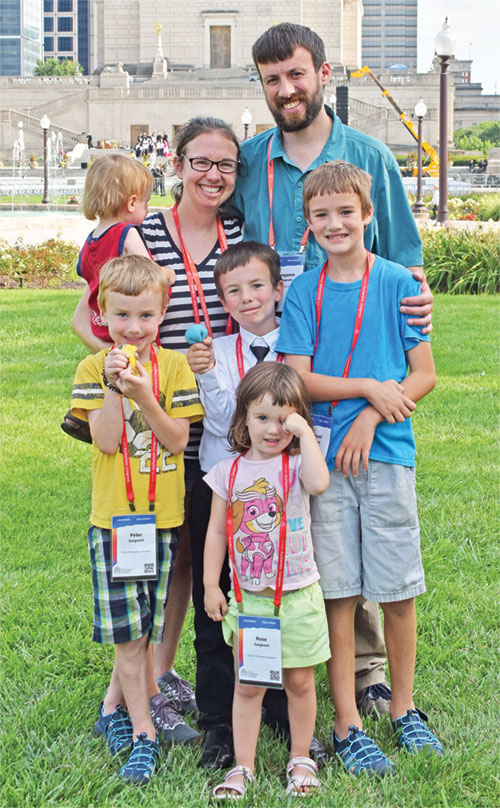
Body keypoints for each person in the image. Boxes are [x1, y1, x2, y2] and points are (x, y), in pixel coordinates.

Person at [231, 21, 434, 716]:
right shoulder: (251, 158)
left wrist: (417, 308)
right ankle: (301, 669)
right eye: (271, 80)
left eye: (295, 74)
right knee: (315, 535)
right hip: (279, 362)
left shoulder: (368, 155)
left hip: (361, 360)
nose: (286, 90)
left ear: (322, 72)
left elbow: (406, 257)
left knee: (368, 532)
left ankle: (371, 681)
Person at [277, 160, 443, 776]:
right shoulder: (304, 291)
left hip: (388, 458)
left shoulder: (398, 282)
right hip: (323, 463)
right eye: (322, 216)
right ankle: (346, 720)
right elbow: (296, 378)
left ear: (368, 215)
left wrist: (375, 413)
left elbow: (423, 373)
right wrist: (369, 387)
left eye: (347, 212)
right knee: (339, 591)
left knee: (398, 591)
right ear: (310, 225)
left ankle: (402, 709)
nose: (335, 223)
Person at [67, 255, 204, 784]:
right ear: (103, 313)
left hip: (162, 519)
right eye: (122, 315)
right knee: (129, 635)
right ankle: (144, 733)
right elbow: (103, 440)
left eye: (146, 316)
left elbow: (175, 439)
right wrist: (111, 384)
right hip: (115, 523)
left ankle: (112, 710)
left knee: (147, 624)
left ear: (162, 312)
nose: (135, 328)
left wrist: (144, 393)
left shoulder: (173, 368)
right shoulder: (90, 370)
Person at [141, 117, 244, 726]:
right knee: (161, 552)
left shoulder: (240, 231)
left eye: (225, 165)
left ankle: (171, 672)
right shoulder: (146, 234)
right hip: (168, 421)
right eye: (201, 162)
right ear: (176, 164)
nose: (212, 175)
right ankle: (138, 685)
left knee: (201, 553)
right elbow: (97, 318)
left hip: (228, 429)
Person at [203, 362, 331, 798]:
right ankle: (242, 765)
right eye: (262, 418)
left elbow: (319, 482)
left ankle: (300, 757)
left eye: (284, 420)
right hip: (250, 601)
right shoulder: (228, 473)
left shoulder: (297, 465)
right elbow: (217, 532)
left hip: (297, 596)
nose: (273, 429)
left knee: (299, 682)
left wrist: (306, 434)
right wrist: (209, 585)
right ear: (243, 420)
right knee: (248, 685)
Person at [71, 154, 160, 354]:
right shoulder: (126, 233)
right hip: (134, 324)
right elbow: (150, 274)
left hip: (104, 326)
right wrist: (168, 273)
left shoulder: (90, 241)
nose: (147, 210)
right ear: (131, 203)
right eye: (145, 203)